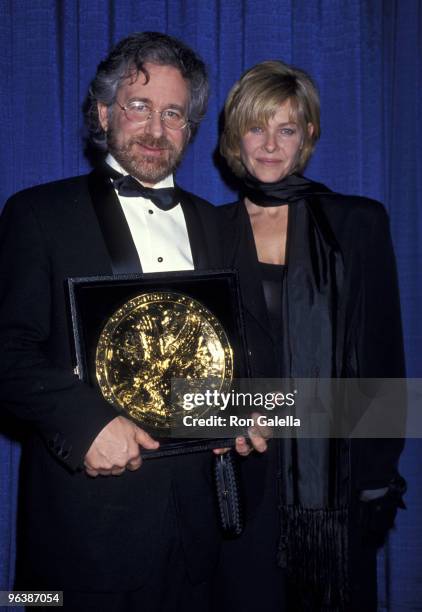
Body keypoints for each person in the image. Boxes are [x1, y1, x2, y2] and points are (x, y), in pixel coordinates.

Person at [0, 31, 252, 612]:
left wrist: (248, 413)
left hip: (194, 533)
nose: (156, 130)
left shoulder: (216, 224)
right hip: (81, 534)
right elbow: (7, 351)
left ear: (190, 128)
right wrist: (86, 424)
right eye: (139, 107)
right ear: (104, 111)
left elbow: (235, 355)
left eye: (174, 114)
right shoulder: (38, 213)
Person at [215, 60, 406, 611]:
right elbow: (186, 368)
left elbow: (384, 358)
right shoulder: (205, 230)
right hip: (239, 473)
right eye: (256, 127)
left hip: (337, 481)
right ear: (235, 137)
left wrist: (376, 481)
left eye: (287, 128)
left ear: (309, 136)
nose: (270, 145)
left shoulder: (359, 222)